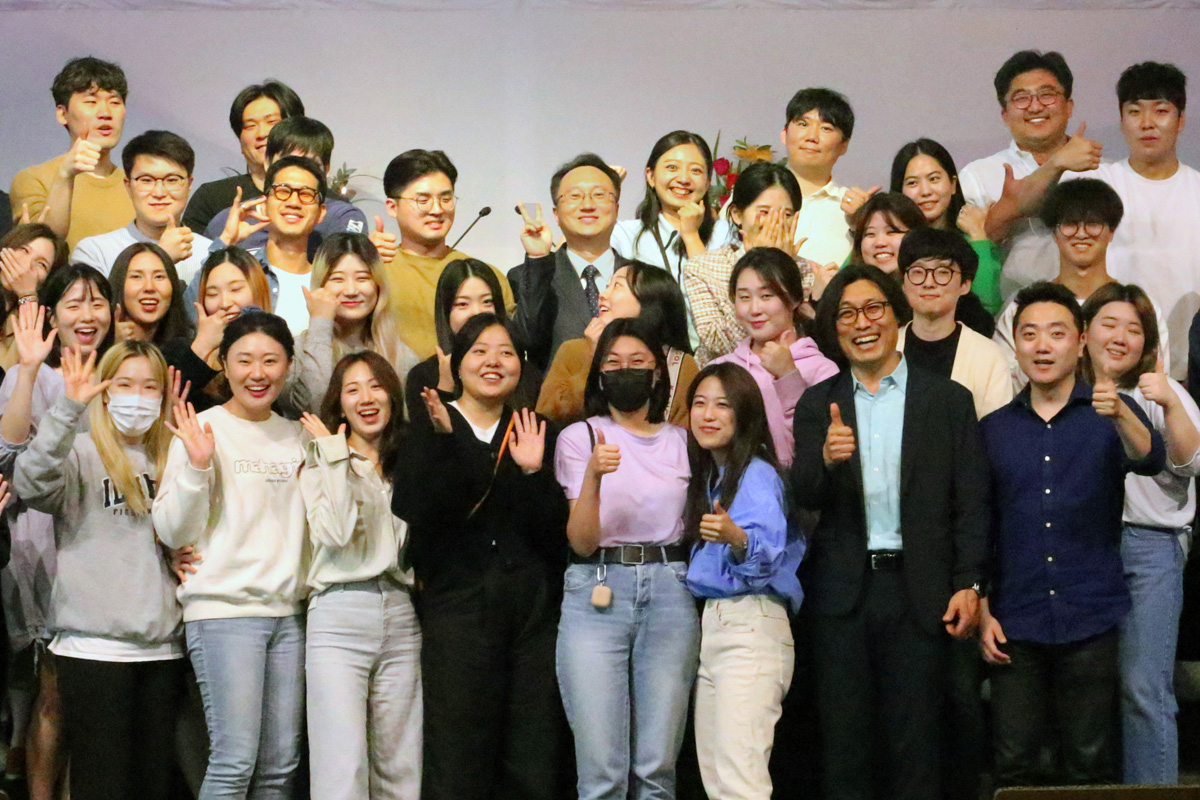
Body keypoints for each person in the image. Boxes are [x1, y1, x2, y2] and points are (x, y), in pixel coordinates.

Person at [792, 263, 988, 800]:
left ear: (896, 316)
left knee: (918, 747)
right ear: (834, 330)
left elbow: (971, 502)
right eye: (847, 314)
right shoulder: (819, 403)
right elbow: (803, 495)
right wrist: (828, 462)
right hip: (843, 599)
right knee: (846, 749)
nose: (862, 323)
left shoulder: (947, 400)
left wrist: (970, 583)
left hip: (920, 594)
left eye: (874, 308)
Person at [979, 281, 1164, 788]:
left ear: (1080, 342)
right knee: (1013, 764)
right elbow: (980, 525)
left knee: (1090, 763)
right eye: (1030, 334)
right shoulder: (993, 429)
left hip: (1091, 614)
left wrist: (1122, 409)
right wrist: (983, 604)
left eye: (1057, 334)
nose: (1043, 346)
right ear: (1014, 344)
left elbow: (1152, 458)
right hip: (1014, 619)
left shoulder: (1109, 417)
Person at [392, 314, 567, 800]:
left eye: (506, 352)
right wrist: (453, 441)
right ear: (459, 363)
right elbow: (416, 506)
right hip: (458, 606)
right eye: (480, 351)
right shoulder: (432, 424)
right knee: (458, 751)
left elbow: (555, 532)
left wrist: (534, 474)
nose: (493, 361)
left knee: (531, 750)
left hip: (531, 612)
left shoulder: (535, 428)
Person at [13, 341, 182, 800]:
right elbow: (30, 482)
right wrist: (69, 407)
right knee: (100, 784)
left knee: (153, 785)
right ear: (105, 392)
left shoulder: (176, 455)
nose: (137, 396)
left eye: (150, 386)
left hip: (163, 649)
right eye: (124, 384)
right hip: (93, 649)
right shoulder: (82, 451)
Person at [152, 310, 307, 800]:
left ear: (288, 365)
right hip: (223, 614)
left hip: (289, 616)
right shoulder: (200, 428)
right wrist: (198, 466)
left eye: (269, 361)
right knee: (233, 762)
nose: (256, 373)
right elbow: (172, 528)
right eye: (243, 360)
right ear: (223, 363)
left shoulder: (298, 435)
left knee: (280, 769)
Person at [554, 316, 699, 800]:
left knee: (657, 771)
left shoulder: (683, 441)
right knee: (602, 775)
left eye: (638, 362)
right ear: (599, 376)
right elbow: (581, 541)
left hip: (670, 590)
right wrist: (594, 476)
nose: (626, 371)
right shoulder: (580, 437)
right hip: (597, 589)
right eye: (614, 363)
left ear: (658, 373)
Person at [0, 265, 115, 800]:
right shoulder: (37, 376)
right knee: (53, 692)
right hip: (47, 543)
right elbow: (10, 454)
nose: (87, 316)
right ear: (51, 314)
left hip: (110, 545)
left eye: (97, 303)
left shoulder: (123, 370)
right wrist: (25, 371)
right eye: (73, 304)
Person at [1079, 282, 1200, 785]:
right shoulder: (1062, 392)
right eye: (1109, 324)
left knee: (1143, 688)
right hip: (1083, 545)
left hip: (1151, 547)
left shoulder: (1161, 393)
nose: (1120, 337)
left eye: (1134, 329)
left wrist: (1170, 403)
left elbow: (1192, 461)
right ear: (1083, 334)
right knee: (1084, 690)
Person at [300, 352, 421, 800]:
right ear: (339, 403)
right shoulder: (321, 459)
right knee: (341, 767)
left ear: (392, 395)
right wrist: (335, 458)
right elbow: (334, 531)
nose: (366, 398)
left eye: (375, 386)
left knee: (401, 765)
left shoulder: (406, 461)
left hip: (401, 612)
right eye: (352, 389)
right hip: (339, 613)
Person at [684, 361, 803, 800]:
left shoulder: (758, 473)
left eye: (722, 405)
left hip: (751, 626)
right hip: (718, 627)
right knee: (720, 781)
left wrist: (737, 539)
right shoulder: (714, 475)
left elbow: (764, 556)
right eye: (699, 403)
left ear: (745, 414)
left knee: (740, 783)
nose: (708, 414)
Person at [994, 179, 1170, 388]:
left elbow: (1157, 380)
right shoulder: (1025, 305)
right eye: (1069, 224)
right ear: (1054, 233)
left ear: (1111, 231)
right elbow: (1006, 380)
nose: (1081, 233)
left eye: (1093, 224)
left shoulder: (1137, 307)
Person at [959, 50, 1096, 296]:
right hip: (1009, 319)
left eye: (1047, 95)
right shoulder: (977, 175)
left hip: (1093, 313)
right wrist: (1056, 165)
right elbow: (967, 253)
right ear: (1005, 114)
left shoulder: (1102, 171)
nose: (1035, 106)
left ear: (1069, 106)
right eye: (1021, 98)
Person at [369, 149, 514, 360]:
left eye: (446, 199)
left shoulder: (484, 276)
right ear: (392, 207)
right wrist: (361, 259)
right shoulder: (376, 269)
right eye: (423, 200)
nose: (437, 210)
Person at [707, 248, 838, 466]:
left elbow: (815, 448)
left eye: (767, 296)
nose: (754, 309)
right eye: (744, 297)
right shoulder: (720, 369)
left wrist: (788, 376)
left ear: (795, 299)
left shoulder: (822, 370)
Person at [538, 261, 697, 427]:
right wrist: (595, 357)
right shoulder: (573, 350)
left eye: (617, 285)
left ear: (649, 300)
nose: (602, 295)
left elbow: (684, 438)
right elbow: (549, 417)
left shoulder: (679, 364)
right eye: (607, 286)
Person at [509, 153, 628, 372]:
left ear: (617, 208)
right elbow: (528, 340)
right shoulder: (529, 274)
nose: (587, 205)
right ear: (556, 213)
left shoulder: (641, 277)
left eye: (599, 195)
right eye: (574, 196)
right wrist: (537, 259)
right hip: (555, 403)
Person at [684, 161, 808, 364]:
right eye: (764, 212)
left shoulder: (802, 268)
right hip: (728, 380)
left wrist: (782, 267)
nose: (774, 222)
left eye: (786, 214)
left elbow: (801, 332)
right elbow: (719, 344)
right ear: (737, 214)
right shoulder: (702, 268)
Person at [9, 57, 134, 249]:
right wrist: (65, 176)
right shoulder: (34, 179)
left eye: (115, 102)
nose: (106, 113)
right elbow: (46, 249)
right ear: (62, 114)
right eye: (91, 102)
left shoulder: (137, 186)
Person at [293, 233, 418, 412]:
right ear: (321, 284)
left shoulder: (401, 355)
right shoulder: (297, 351)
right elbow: (316, 407)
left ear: (378, 284)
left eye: (362, 278)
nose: (351, 290)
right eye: (337, 279)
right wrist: (320, 322)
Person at [202, 155, 327, 333]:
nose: (293, 202)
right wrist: (227, 239)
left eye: (306, 194)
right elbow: (191, 314)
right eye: (283, 191)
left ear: (321, 213)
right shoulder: (238, 271)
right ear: (265, 203)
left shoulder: (328, 284)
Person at [202, 117, 368, 251]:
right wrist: (225, 241)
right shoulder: (226, 222)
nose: (297, 174)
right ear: (267, 163)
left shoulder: (340, 217)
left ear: (326, 171)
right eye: (287, 162)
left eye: (309, 165)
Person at [896, 228, 1012, 419]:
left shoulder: (988, 356)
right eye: (917, 272)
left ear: (965, 284)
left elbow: (995, 431)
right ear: (903, 283)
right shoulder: (887, 347)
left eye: (942, 272)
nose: (928, 282)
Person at [70, 130, 212, 282]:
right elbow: (96, 305)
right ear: (128, 186)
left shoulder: (209, 254)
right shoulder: (95, 252)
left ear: (189, 184)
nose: (159, 192)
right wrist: (162, 257)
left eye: (171, 180)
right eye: (146, 180)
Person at [890, 138, 1004, 314]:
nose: (926, 191)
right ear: (899, 191)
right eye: (913, 183)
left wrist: (978, 235)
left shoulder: (974, 242)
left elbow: (988, 307)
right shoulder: (888, 241)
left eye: (934, 179)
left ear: (952, 184)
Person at [182, 81, 305, 233]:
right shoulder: (212, 199)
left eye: (272, 122)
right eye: (250, 126)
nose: (262, 134)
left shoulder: (328, 202)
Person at [779, 88, 872, 267]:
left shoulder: (852, 211)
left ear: (844, 145)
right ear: (784, 133)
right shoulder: (753, 196)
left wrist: (860, 224)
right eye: (803, 124)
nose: (812, 137)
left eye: (826, 128)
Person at [0, 224, 69, 370]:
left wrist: (27, 294)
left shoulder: (38, 323)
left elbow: (12, 374)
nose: (28, 265)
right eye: (24, 250)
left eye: (41, 264)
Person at [107, 242, 193, 346]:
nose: (149, 287)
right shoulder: (96, 345)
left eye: (159, 277)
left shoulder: (187, 349)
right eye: (136, 277)